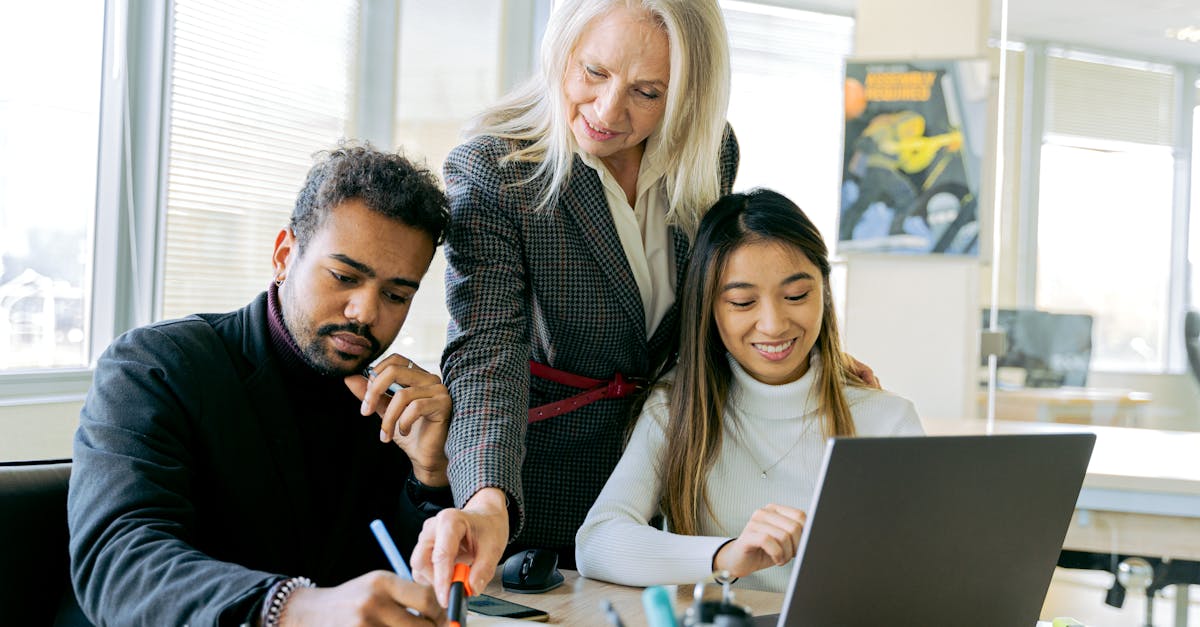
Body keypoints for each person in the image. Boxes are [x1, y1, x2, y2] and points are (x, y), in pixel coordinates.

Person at [415, 0, 740, 601]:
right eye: (593, 72)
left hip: (674, 499)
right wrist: (488, 501)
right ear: (561, 49)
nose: (609, 110)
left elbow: (720, 297)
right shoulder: (498, 171)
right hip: (543, 498)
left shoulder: (708, 152)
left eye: (647, 92)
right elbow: (488, 351)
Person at [68, 144, 454, 626]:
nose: (366, 312)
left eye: (396, 295)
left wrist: (431, 476)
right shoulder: (155, 366)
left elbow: (396, 583)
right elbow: (119, 564)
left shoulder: (391, 409)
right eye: (343, 276)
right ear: (284, 255)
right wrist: (290, 608)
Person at [574, 189, 923, 593]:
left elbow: (930, 571)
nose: (773, 324)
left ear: (824, 292)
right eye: (742, 302)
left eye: (796, 296)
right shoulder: (676, 408)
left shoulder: (887, 420)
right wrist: (725, 555)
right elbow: (597, 542)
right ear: (709, 308)